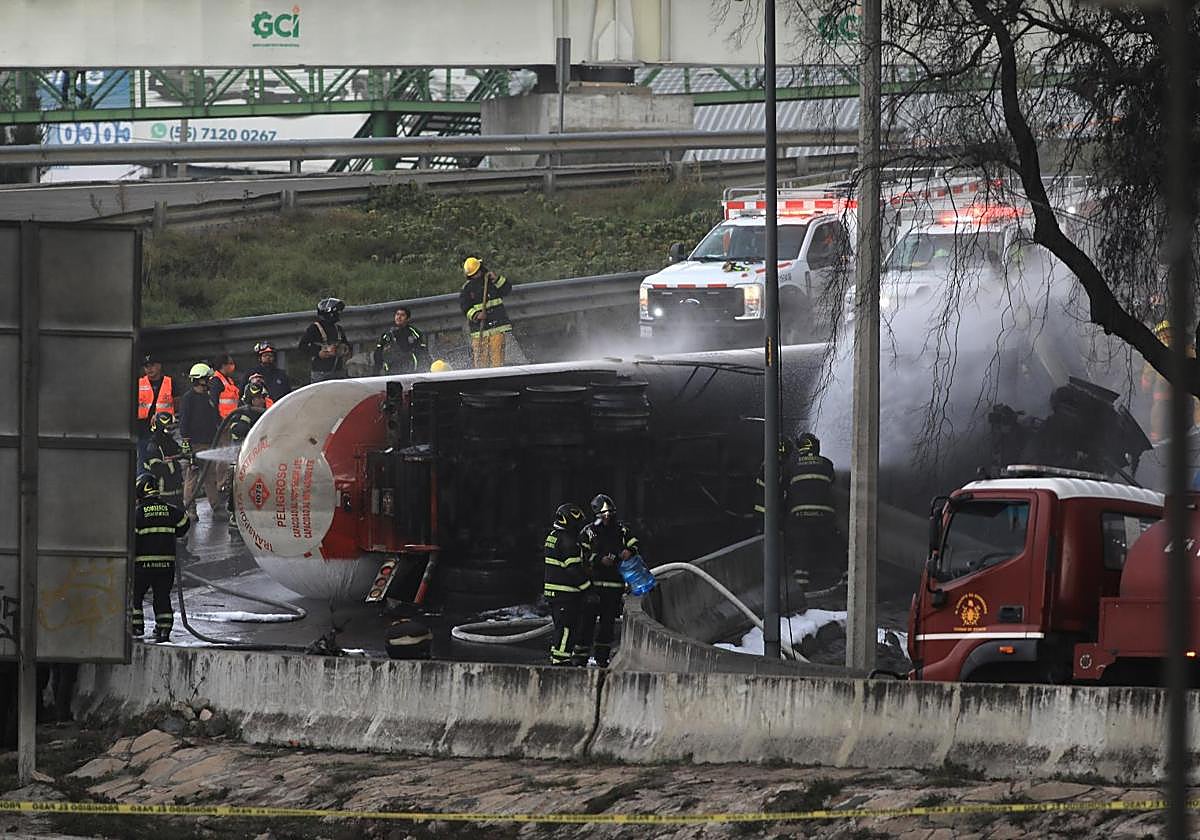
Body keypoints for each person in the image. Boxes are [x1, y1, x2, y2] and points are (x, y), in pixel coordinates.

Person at [577, 493, 639, 668]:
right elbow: (582, 556)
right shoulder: (588, 532)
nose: (607, 518)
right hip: (593, 587)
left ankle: (602, 658)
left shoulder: (622, 530)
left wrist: (630, 551)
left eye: (610, 514)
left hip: (614, 586)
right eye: (604, 515)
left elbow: (635, 543)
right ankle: (580, 657)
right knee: (586, 624)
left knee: (607, 626)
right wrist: (598, 560)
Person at [132, 472, 190, 643]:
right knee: (162, 596)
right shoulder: (171, 511)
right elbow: (184, 525)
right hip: (166, 565)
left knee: (135, 595)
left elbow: (132, 540)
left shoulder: (138, 514)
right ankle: (163, 629)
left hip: (142, 565)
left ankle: (136, 626)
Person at [787, 432, 839, 584]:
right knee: (834, 542)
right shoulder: (826, 463)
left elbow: (785, 487)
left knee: (800, 546)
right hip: (824, 514)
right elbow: (832, 481)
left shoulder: (792, 465)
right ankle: (846, 575)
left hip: (799, 514)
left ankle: (801, 581)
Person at [543, 503, 590, 666]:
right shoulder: (568, 541)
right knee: (567, 630)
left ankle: (557, 657)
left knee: (561, 628)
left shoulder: (553, 536)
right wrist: (588, 589)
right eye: (577, 524)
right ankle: (561, 661)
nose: (579, 528)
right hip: (566, 593)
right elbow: (573, 569)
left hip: (554, 592)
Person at [178, 362, 223, 521]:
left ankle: (217, 507)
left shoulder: (209, 397)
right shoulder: (188, 398)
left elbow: (215, 418)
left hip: (210, 443)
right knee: (193, 477)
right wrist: (187, 444)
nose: (209, 382)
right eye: (207, 379)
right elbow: (183, 422)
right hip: (195, 444)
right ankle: (190, 510)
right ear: (199, 379)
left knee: (211, 476)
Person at [225, 382, 269, 526]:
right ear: (250, 399)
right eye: (258, 398)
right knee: (236, 483)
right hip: (241, 456)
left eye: (263, 397)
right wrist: (246, 421)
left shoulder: (266, 411)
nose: (262, 400)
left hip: (260, 455)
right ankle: (234, 514)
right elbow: (236, 430)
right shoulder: (242, 412)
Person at [458, 257, 511, 368]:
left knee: (497, 358)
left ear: (481, 269)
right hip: (479, 330)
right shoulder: (467, 289)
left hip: (497, 326)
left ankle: (498, 376)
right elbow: (465, 307)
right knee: (481, 361)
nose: (475, 276)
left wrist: (497, 279)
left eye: (477, 273)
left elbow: (507, 290)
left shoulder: (491, 281)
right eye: (472, 275)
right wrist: (476, 315)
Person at [135, 352, 175, 468]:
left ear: (159, 366)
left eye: (152, 365)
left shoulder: (170, 382)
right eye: (146, 366)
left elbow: (177, 403)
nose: (149, 369)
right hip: (143, 429)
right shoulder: (139, 383)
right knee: (144, 460)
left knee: (165, 460)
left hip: (164, 429)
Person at [142, 411, 187, 510]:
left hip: (176, 491)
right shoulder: (153, 445)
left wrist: (185, 452)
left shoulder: (168, 440)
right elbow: (156, 468)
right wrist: (171, 465)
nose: (171, 430)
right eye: (169, 427)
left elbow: (177, 450)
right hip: (164, 493)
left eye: (172, 427)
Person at [300, 297, 352, 383]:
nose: (338, 314)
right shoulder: (314, 328)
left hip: (338, 371)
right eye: (336, 312)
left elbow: (347, 346)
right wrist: (318, 353)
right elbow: (302, 346)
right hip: (321, 373)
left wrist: (344, 349)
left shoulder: (338, 329)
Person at [373, 307, 431, 375]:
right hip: (391, 372)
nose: (399, 317)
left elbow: (423, 351)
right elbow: (378, 354)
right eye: (397, 314)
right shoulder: (387, 335)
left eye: (402, 315)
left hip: (410, 370)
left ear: (408, 318)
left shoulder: (414, 333)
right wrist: (376, 373)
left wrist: (424, 368)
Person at [208, 353, 240, 419]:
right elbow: (214, 404)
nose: (233, 366)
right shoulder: (216, 381)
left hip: (232, 418)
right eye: (230, 363)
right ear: (223, 365)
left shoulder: (230, 380)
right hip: (223, 421)